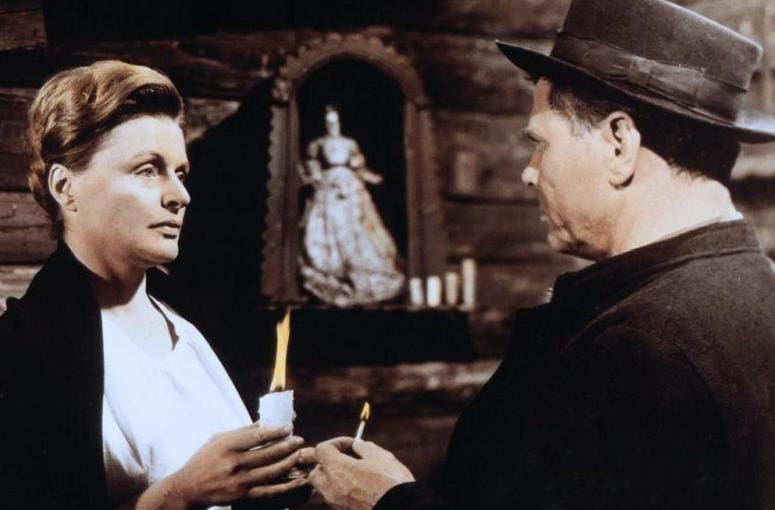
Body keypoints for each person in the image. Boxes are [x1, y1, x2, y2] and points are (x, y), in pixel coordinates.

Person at [305, 0, 775, 508]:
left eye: (541, 143)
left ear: (619, 143)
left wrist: (387, 502)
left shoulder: (642, 349)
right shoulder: (757, 287)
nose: (529, 172)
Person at [0, 60, 311, 509]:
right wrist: (177, 494)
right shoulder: (23, 352)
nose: (180, 195)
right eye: (148, 170)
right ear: (65, 187)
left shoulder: (198, 325)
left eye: (180, 173)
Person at [299, 105, 404, 307]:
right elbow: (311, 164)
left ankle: (357, 266)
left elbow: (359, 166)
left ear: (339, 122)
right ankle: (332, 267)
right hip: (328, 186)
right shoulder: (318, 143)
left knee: (355, 224)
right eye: (328, 122)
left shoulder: (349, 143)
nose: (331, 125)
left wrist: (365, 176)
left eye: (334, 121)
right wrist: (317, 177)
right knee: (327, 223)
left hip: (349, 186)